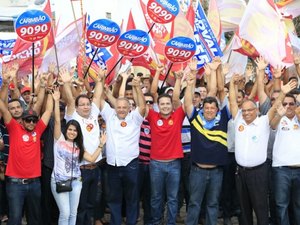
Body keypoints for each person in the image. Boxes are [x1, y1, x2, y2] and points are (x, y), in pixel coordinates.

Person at [229, 72, 297, 225]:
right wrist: (232, 84)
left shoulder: (263, 121)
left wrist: (283, 93)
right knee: (244, 210)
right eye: (244, 110)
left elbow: (274, 108)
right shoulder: (238, 119)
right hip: (240, 172)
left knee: (261, 210)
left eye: (250, 110)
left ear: (257, 110)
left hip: (259, 173)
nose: (246, 113)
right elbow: (233, 102)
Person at [184, 58, 230, 225]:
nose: (209, 110)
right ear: (202, 108)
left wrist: (220, 73)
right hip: (197, 171)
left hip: (216, 172)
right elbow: (188, 103)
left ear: (217, 109)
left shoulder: (224, 118)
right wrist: (192, 80)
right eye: (207, 108)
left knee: (213, 205)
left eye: (213, 108)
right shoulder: (195, 119)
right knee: (194, 204)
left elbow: (222, 93)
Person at [51, 88, 107, 225]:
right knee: (68, 212)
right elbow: (58, 120)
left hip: (83, 176)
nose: (72, 132)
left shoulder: (79, 147)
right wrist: (57, 99)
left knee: (82, 209)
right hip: (65, 178)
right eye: (70, 129)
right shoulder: (60, 141)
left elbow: (93, 158)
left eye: (75, 130)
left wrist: (101, 144)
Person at [99, 75, 146, 225]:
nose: (121, 110)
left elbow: (143, 107)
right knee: (114, 199)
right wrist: (100, 81)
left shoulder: (135, 118)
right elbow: (99, 100)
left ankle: (131, 222)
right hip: (112, 165)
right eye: (118, 107)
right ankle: (115, 222)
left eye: (124, 107)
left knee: (132, 198)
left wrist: (137, 87)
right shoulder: (109, 115)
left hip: (130, 165)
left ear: (129, 108)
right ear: (115, 107)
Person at [0, 95, 52, 225]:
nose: (31, 123)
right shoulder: (14, 128)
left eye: (34, 120)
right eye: (28, 120)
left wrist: (51, 93)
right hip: (15, 184)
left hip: (35, 183)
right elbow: (4, 110)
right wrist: (5, 83)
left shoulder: (38, 130)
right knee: (15, 218)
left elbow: (48, 111)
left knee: (35, 218)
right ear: (22, 121)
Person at [270, 93, 300, 225]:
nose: (288, 106)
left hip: (299, 169)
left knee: (298, 206)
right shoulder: (278, 118)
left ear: (296, 106)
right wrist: (279, 114)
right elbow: (272, 125)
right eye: (285, 103)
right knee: (281, 206)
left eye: (291, 104)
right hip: (281, 170)